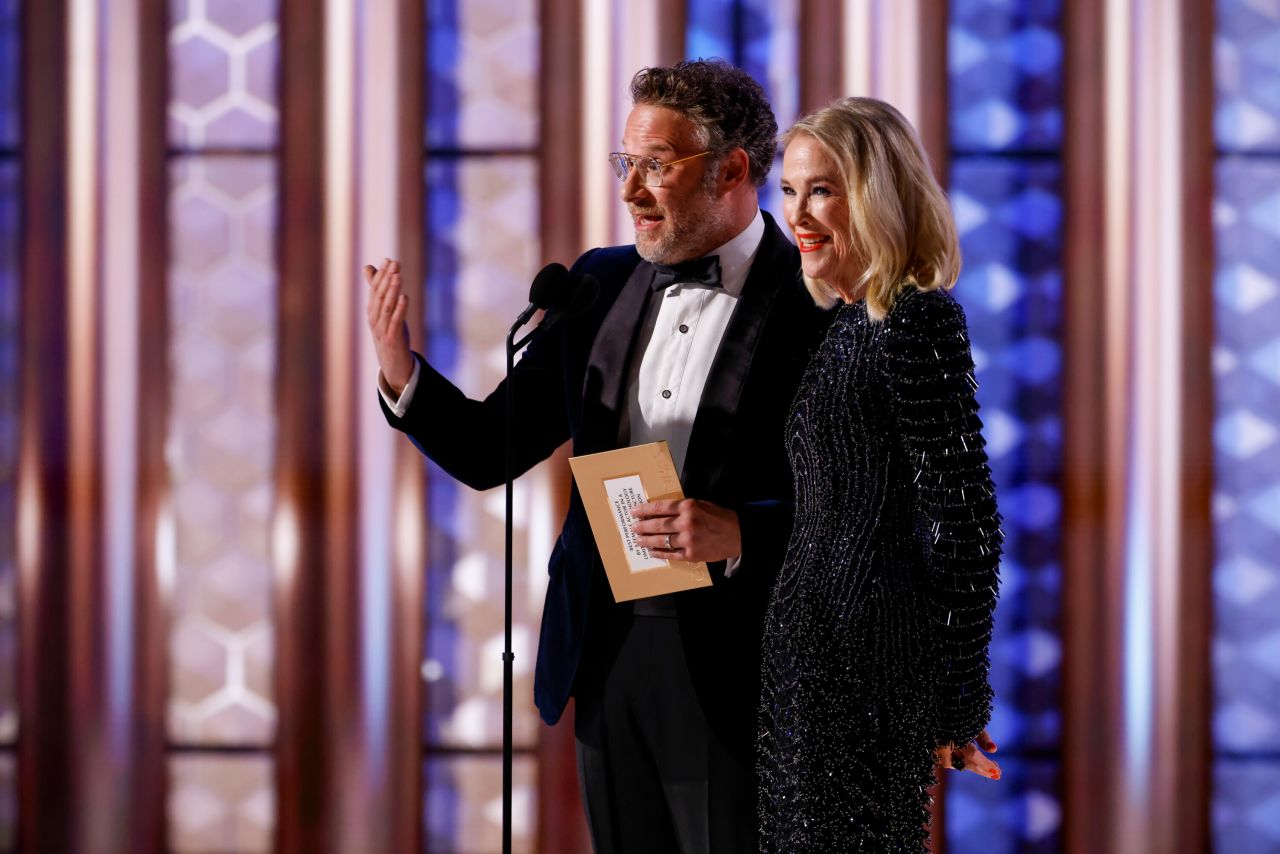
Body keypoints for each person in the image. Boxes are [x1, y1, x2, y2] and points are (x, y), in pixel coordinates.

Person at [364, 60, 830, 853]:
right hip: (606, 652)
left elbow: (866, 514)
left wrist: (742, 532)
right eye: (626, 164)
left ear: (733, 170)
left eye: (656, 166)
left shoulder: (818, 301)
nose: (631, 191)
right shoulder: (597, 283)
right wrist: (401, 373)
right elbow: (490, 447)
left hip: (744, 669)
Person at [756, 97, 1004, 851]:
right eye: (791, 189)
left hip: (865, 672)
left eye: (822, 189)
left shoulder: (916, 321)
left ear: (875, 194)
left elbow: (967, 527)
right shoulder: (844, 328)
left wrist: (957, 703)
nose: (798, 212)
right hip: (805, 662)